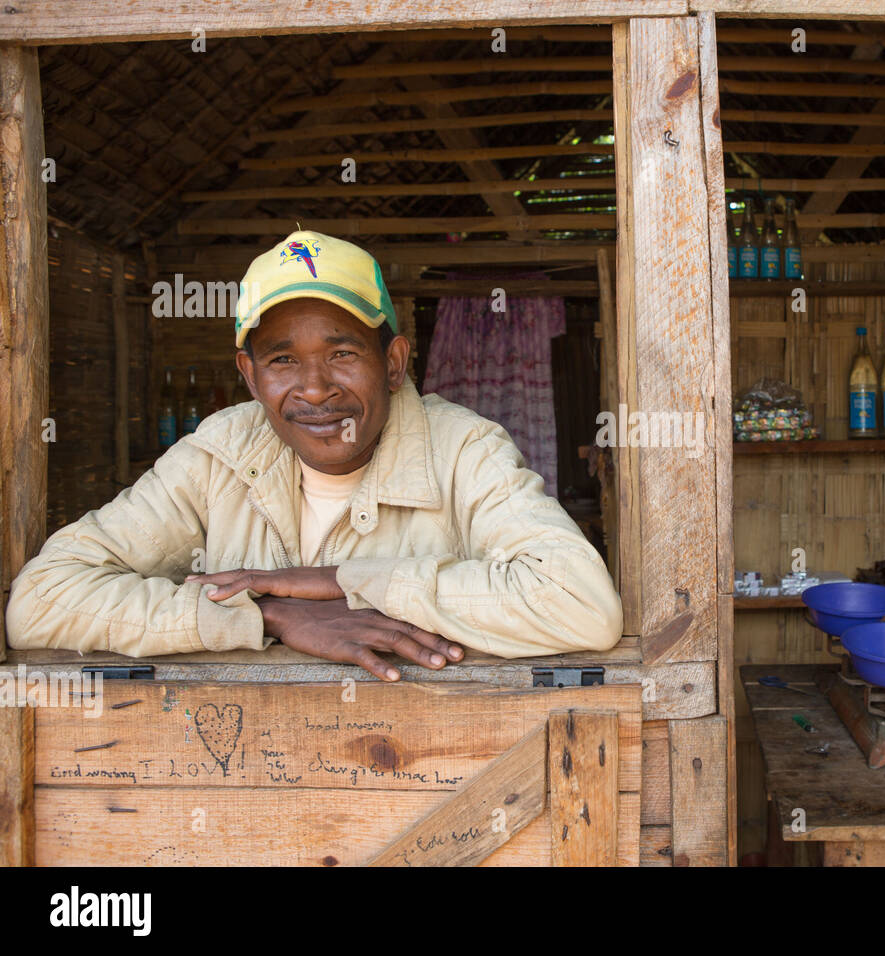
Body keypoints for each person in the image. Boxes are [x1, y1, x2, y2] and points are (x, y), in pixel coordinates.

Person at [5, 230, 623, 679]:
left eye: (343, 353)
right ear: (250, 376)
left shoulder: (463, 448)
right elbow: (42, 601)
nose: (314, 388)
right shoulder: (217, 453)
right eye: (281, 360)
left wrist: (340, 584)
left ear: (395, 363)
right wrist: (268, 616)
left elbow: (580, 605)